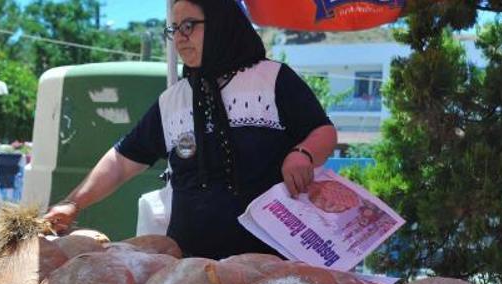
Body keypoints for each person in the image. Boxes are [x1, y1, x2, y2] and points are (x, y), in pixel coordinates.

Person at [44, 0, 337, 259]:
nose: (180, 39)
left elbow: (323, 131)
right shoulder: (173, 100)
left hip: (267, 260)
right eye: (173, 30)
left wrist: (303, 153)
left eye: (189, 26)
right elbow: (122, 161)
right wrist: (73, 202)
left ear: (221, 23)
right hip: (186, 266)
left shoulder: (272, 79)